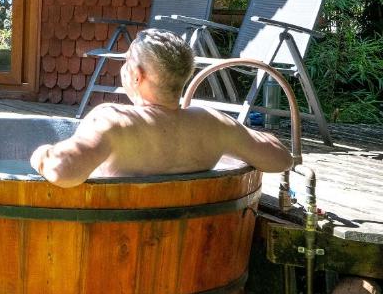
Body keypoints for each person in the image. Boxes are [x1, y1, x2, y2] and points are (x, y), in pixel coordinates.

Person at [30, 28, 293, 187]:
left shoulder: (112, 121)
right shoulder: (213, 124)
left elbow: (63, 170)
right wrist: (230, 146)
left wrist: (41, 153)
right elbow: (282, 158)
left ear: (136, 75)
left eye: (125, 63)